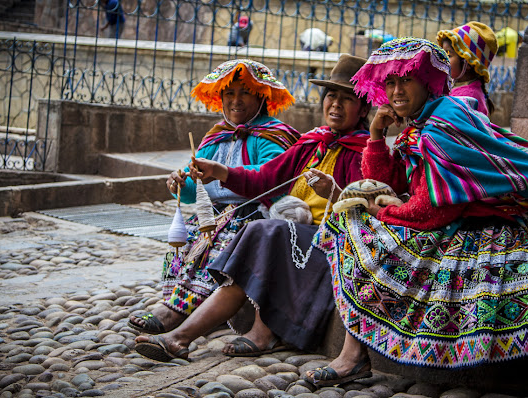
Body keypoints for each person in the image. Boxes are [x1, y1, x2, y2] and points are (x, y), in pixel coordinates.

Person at [305, 37, 528, 384]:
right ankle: (353, 356)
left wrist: (380, 212)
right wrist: (375, 134)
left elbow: (433, 212)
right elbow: (383, 182)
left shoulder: (443, 124)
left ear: (427, 81)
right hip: (454, 221)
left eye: (405, 80)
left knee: (354, 222)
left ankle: (352, 357)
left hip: (488, 230)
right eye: (390, 82)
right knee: (354, 217)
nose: (396, 91)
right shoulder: (418, 123)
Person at [133, 54, 372, 361]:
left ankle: (261, 333)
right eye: (331, 97)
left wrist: (334, 193)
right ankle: (178, 335)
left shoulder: (366, 152)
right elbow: (265, 178)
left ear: (363, 107)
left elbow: (363, 209)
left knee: (263, 230)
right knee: (251, 238)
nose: (336, 105)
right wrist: (219, 171)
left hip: (328, 240)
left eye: (347, 98)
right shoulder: (313, 142)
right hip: (293, 232)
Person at [128, 59, 300, 334]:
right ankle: (175, 303)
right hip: (213, 214)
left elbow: (272, 179)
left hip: (251, 214)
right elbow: (191, 189)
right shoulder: (214, 137)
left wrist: (224, 172)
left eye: (245, 92)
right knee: (186, 241)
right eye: (229, 93)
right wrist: (179, 182)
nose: (236, 100)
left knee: (220, 239)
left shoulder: (274, 136)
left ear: (261, 97)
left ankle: (178, 313)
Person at [437, 21, 498, 116]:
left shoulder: (467, 98)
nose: (443, 58)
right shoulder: (456, 89)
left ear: (468, 63)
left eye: (449, 54)